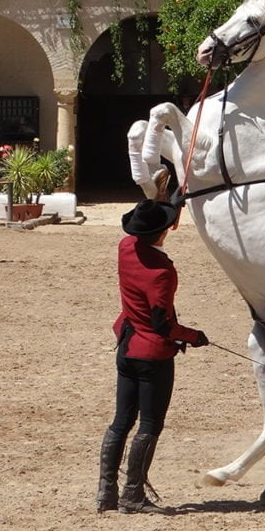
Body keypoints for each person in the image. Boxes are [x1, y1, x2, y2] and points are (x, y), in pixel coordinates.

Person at [96, 199, 209, 514]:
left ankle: (106, 492)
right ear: (163, 232)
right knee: (149, 424)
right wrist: (194, 337)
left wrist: (172, 203)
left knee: (121, 421)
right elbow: (163, 323)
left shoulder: (125, 247)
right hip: (152, 356)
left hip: (127, 345)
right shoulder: (162, 271)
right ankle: (132, 494)